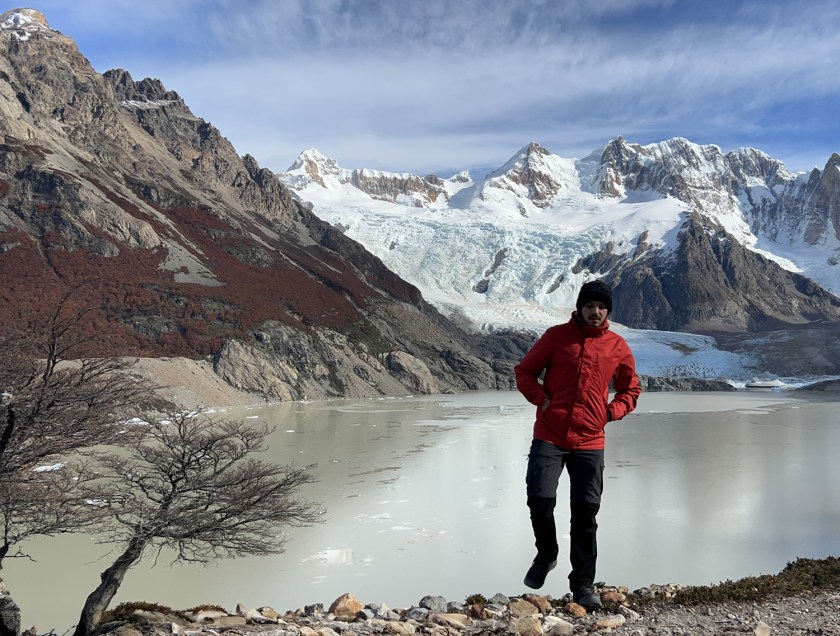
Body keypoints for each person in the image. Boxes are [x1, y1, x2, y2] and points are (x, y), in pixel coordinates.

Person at [514, 279, 641, 610]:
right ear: (580, 307)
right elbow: (524, 372)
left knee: (585, 512)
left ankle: (583, 584)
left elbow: (631, 389)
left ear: (607, 311)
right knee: (539, 498)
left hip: (590, 438)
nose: (595, 311)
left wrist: (610, 412)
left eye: (601, 307)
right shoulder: (556, 337)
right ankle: (547, 553)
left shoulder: (616, 346)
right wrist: (541, 400)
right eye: (590, 305)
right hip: (550, 433)